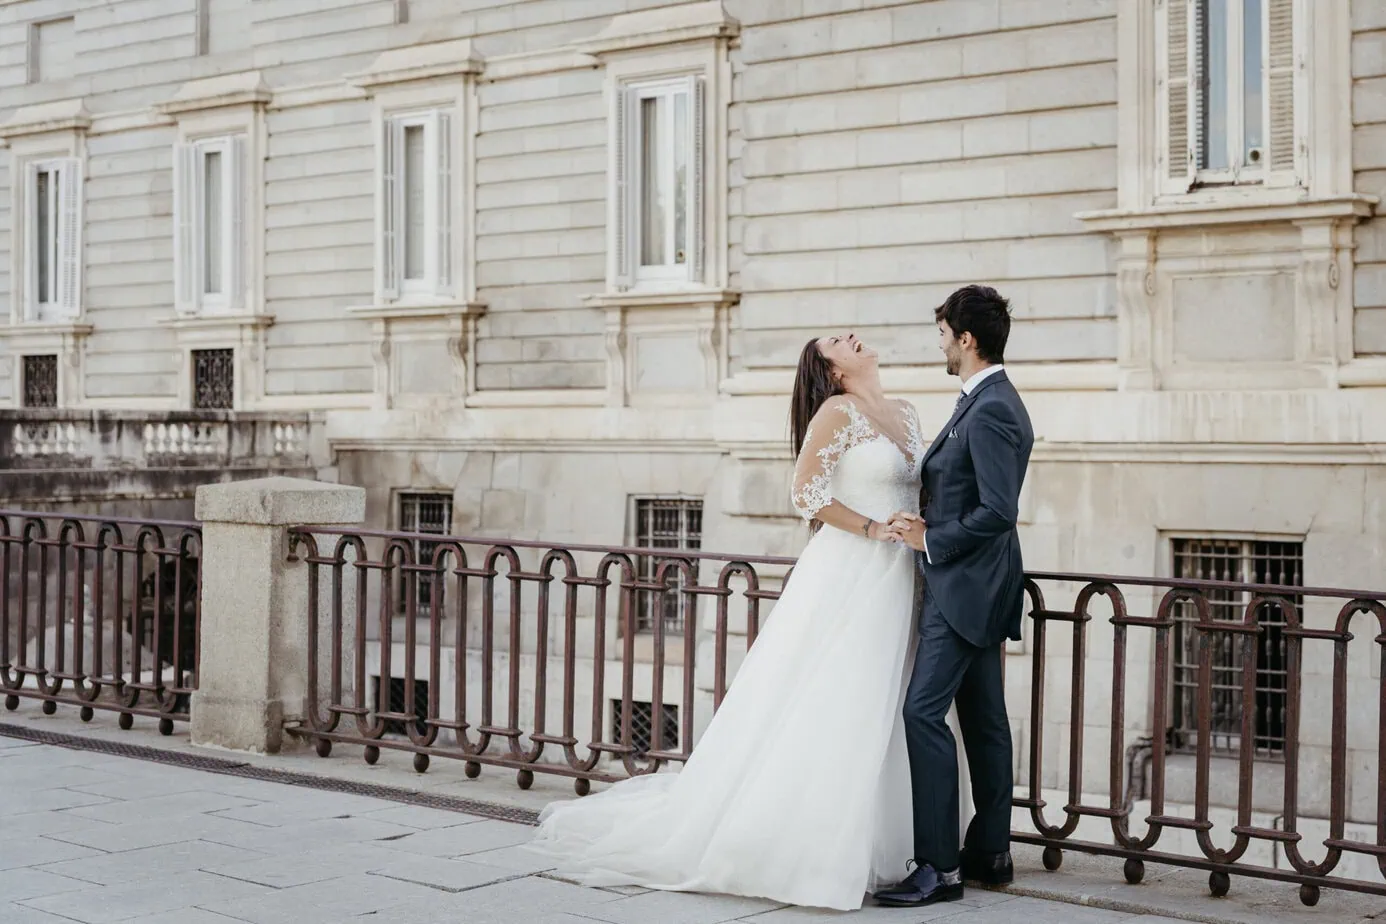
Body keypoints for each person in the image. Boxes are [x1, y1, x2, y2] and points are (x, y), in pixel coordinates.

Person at [529, 330, 968, 911]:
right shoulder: (838, 412)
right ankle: (814, 842)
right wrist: (871, 527)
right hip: (851, 573)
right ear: (832, 370)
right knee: (843, 696)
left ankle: (910, 844)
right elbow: (806, 494)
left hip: (903, 577)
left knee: (895, 701)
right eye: (839, 341)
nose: (853, 337)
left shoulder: (909, 413)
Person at [873, 285, 1034, 907]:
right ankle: (991, 851)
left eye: (942, 334)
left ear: (966, 340)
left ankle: (939, 866)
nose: (940, 344)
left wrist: (929, 537)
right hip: (977, 582)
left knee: (921, 713)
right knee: (985, 720)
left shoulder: (992, 406)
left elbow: (999, 509)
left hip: (962, 584)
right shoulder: (986, 399)